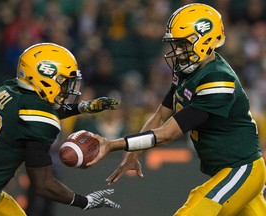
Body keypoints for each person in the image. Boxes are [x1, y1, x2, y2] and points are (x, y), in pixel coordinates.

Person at [88, 3, 266, 216]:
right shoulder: (188, 70)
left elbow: (167, 134)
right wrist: (134, 153)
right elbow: (161, 115)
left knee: (195, 208)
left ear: (205, 40)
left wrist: (113, 144)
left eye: (183, 44)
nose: (178, 51)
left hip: (242, 169)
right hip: (225, 170)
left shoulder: (218, 79)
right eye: (177, 44)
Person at [0, 42, 121, 215]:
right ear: (45, 78)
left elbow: (32, 113)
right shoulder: (38, 118)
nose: (68, 88)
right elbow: (43, 183)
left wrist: (82, 107)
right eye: (64, 82)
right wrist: (86, 201)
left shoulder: (9, 89)